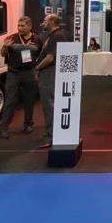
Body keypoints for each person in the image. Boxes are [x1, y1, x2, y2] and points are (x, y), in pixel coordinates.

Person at [0, 16, 42, 139]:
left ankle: (28, 124)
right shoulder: (12, 38)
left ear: (30, 26)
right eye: (19, 25)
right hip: (13, 73)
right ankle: (3, 127)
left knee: (29, 100)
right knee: (10, 101)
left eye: (23, 26)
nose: (20, 28)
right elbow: (2, 53)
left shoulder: (37, 39)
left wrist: (37, 70)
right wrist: (6, 46)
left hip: (29, 73)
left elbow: (41, 55)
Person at [34, 14, 67, 149]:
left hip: (49, 74)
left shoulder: (56, 36)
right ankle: (51, 134)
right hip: (49, 74)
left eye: (45, 20)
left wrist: (37, 68)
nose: (43, 22)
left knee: (49, 106)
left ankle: (50, 136)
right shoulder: (53, 36)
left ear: (52, 22)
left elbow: (50, 58)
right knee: (49, 105)